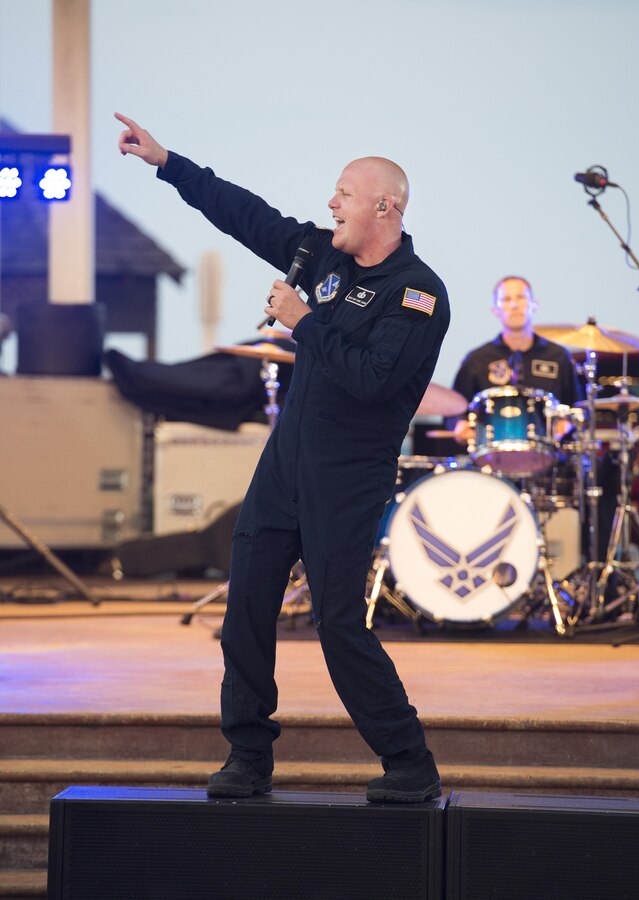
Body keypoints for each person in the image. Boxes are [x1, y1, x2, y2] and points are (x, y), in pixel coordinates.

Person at [115, 112, 450, 803]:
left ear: (384, 206)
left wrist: (306, 322)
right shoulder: (321, 255)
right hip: (285, 465)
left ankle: (408, 761)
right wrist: (168, 162)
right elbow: (246, 215)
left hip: (347, 478)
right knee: (247, 609)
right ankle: (247, 755)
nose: (332, 204)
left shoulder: (417, 295)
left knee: (335, 623)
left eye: (344, 194)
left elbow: (371, 381)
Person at [449, 275, 582, 444]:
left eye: (521, 297)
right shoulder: (477, 359)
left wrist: (567, 423)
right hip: (491, 457)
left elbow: (577, 407)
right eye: (506, 299)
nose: (514, 305)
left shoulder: (558, 356)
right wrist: (459, 425)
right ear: (495, 310)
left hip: (549, 455)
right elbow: (454, 410)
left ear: (534, 305)